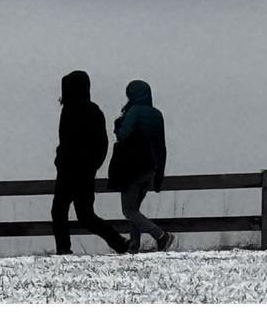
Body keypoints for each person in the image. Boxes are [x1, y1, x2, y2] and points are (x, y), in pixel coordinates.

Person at [51, 70, 130, 255]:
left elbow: (66, 142)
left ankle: (64, 249)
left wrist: (61, 159)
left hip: (69, 171)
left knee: (60, 211)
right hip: (85, 172)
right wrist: (93, 165)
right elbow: (102, 143)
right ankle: (118, 242)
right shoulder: (94, 111)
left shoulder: (69, 110)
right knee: (85, 215)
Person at [109, 79, 174, 253]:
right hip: (151, 169)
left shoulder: (134, 111)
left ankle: (161, 236)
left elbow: (123, 135)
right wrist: (159, 174)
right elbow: (162, 146)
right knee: (135, 210)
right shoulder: (157, 114)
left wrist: (118, 124)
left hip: (133, 168)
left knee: (129, 210)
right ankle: (134, 246)